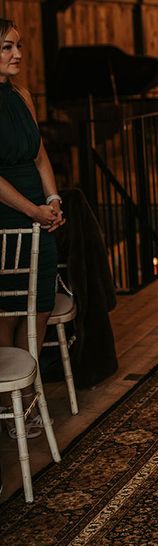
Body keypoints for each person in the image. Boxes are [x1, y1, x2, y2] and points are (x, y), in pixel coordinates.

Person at [0, 19, 64, 437]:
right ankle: (7, 400)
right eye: (7, 47)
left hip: (37, 209)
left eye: (18, 46)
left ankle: (28, 394)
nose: (17, 54)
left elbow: (40, 156)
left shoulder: (20, 95)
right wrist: (32, 211)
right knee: (5, 306)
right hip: (6, 215)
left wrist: (54, 200)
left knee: (39, 303)